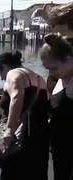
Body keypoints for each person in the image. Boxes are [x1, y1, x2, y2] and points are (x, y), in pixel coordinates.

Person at [0, 51, 50, 180]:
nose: (2, 78)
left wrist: (9, 130)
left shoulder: (13, 73)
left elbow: (17, 96)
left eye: (0, 73)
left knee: (12, 174)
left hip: (19, 139)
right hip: (39, 138)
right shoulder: (39, 78)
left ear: (4, 66)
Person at [39, 33, 73, 180]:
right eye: (47, 68)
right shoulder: (55, 80)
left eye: (54, 68)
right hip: (59, 149)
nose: (51, 73)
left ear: (69, 59)